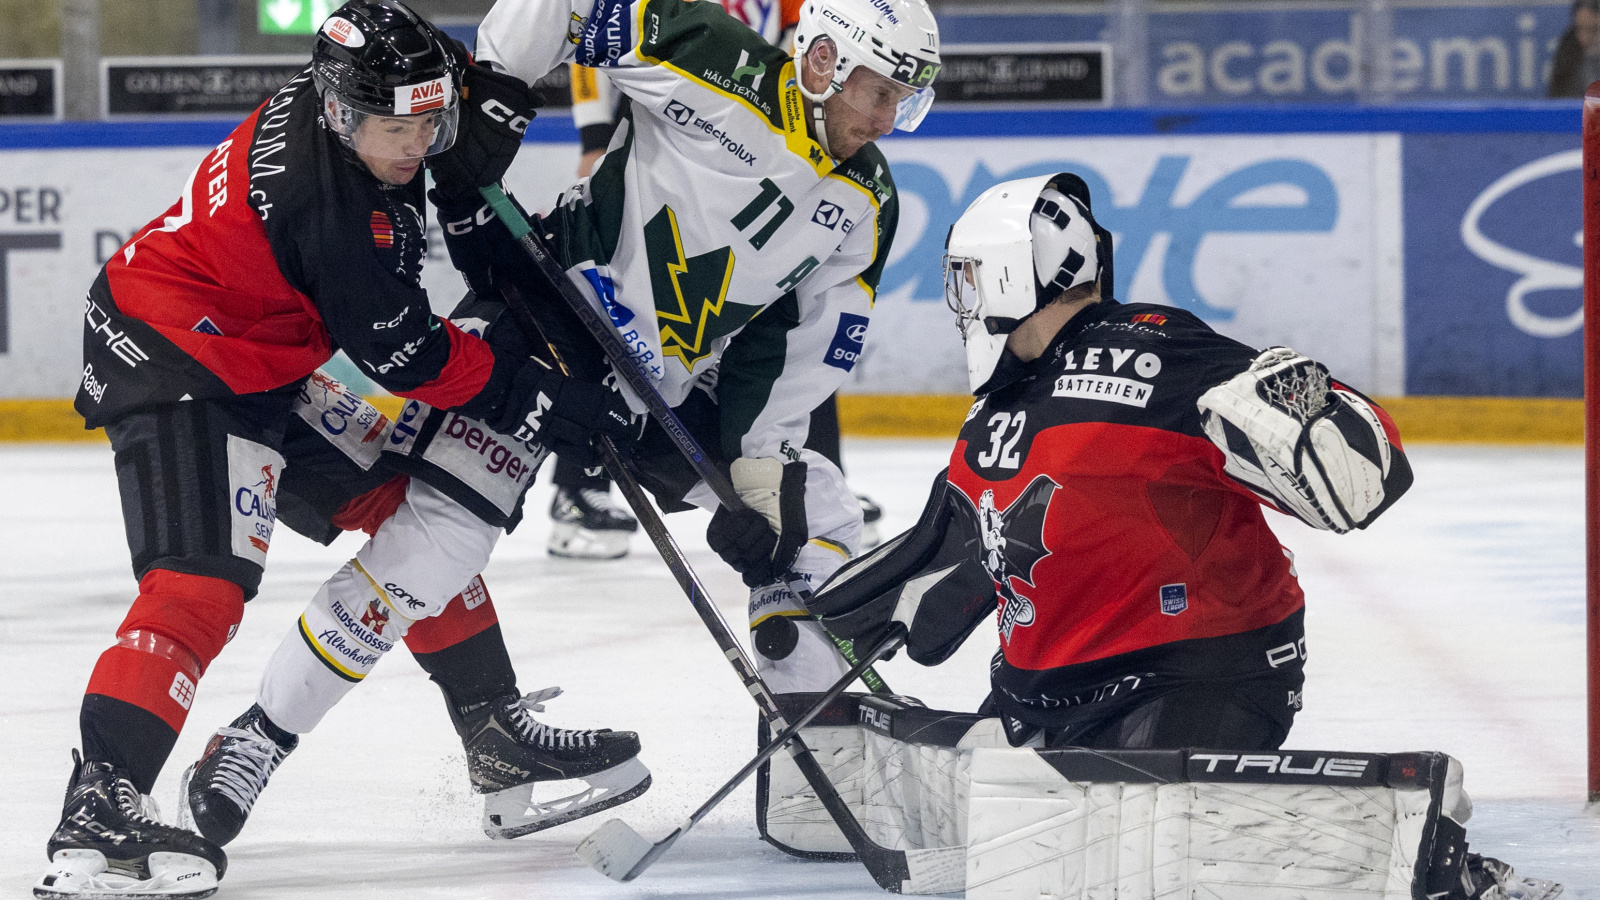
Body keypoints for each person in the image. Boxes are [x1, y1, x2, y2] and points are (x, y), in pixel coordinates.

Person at [35, 4, 643, 897]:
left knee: (409, 512)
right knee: (201, 581)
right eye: (399, 129)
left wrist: (482, 114)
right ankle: (100, 799)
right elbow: (409, 356)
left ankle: (491, 730)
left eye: (431, 121)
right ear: (343, 114)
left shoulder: (361, 102)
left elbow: (460, 91)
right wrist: (538, 393)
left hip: (274, 348)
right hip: (180, 352)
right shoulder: (330, 204)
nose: (417, 143)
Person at [807, 172, 1414, 754]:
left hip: (1192, 681)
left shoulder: (1158, 349)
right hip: (1042, 700)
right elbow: (977, 535)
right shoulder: (1002, 399)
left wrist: (1317, 421)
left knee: (1106, 842)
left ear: (1012, 278)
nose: (961, 303)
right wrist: (833, 606)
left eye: (969, 279)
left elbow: (1351, 467)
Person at [1549, 0, 1600, 97]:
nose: (1584, 39)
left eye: (1592, 29)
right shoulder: (1568, 53)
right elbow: (1556, 98)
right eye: (1580, 29)